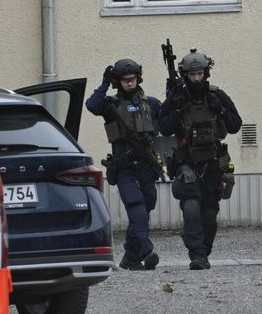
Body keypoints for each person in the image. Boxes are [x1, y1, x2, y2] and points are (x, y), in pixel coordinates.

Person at [158, 49, 242, 270]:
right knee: (191, 207)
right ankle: (196, 254)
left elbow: (235, 125)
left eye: (200, 74)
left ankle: (204, 250)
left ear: (206, 73)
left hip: (213, 162)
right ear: (185, 75)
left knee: (209, 214)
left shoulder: (217, 95)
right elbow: (164, 129)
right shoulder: (177, 97)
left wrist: (221, 109)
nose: (197, 78)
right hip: (187, 162)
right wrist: (176, 109)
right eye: (192, 74)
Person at [85, 58, 163, 270]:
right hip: (124, 165)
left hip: (146, 165)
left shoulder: (151, 103)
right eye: (125, 80)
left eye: (133, 79)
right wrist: (103, 84)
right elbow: (92, 105)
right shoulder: (111, 104)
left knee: (147, 206)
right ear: (118, 82)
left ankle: (130, 257)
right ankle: (146, 249)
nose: (129, 83)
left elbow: (167, 121)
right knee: (135, 204)